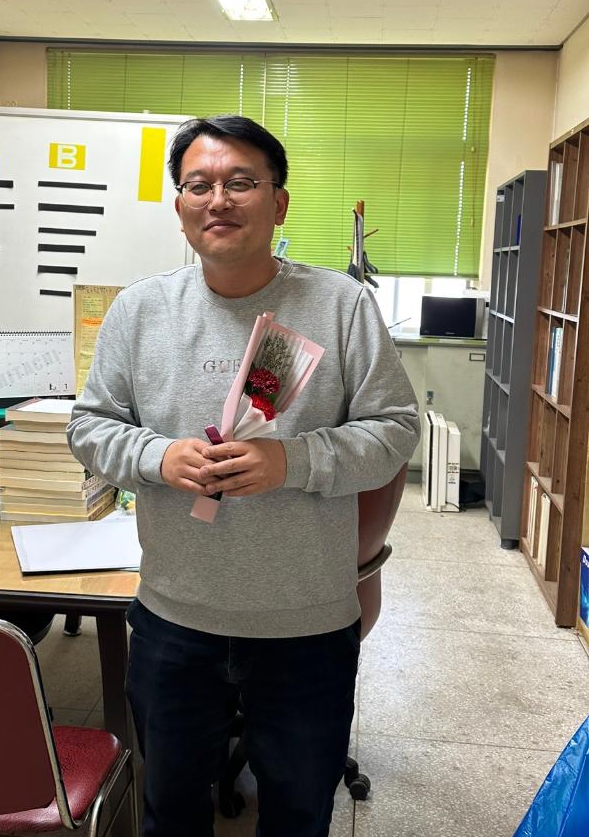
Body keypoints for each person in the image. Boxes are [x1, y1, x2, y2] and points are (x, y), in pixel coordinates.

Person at [67, 115, 420, 837]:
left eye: (240, 183)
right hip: (174, 619)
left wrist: (293, 461)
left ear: (279, 203)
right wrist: (157, 457)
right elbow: (89, 427)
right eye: (198, 185)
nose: (217, 200)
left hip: (307, 626)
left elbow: (394, 433)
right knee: (170, 814)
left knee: (298, 815)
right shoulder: (140, 310)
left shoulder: (340, 306)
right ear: (179, 206)